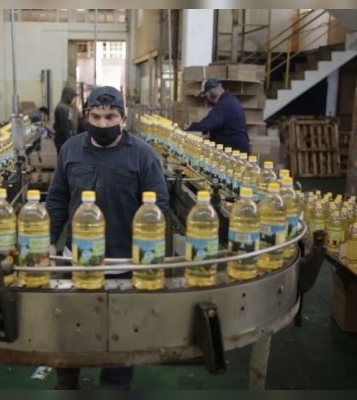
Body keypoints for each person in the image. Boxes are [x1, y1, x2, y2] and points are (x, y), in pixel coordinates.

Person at [45, 86, 170, 390]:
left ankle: (114, 386)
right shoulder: (70, 149)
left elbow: (160, 209)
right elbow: (57, 198)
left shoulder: (143, 155)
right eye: (96, 117)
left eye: (110, 117)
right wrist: (48, 242)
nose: (103, 123)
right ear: (86, 115)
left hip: (123, 261)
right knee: (73, 325)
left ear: (123, 118)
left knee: (120, 332)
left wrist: (147, 256)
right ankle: (67, 380)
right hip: (77, 260)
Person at [184, 78, 250, 154]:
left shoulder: (225, 105)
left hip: (235, 152)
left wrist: (185, 131)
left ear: (212, 93)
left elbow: (206, 125)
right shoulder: (228, 100)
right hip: (233, 149)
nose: (206, 99)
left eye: (205, 95)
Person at [53, 86, 79, 153]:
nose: (74, 99)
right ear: (68, 96)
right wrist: (70, 140)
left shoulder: (67, 107)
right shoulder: (62, 108)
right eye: (73, 96)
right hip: (63, 140)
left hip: (66, 139)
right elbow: (65, 127)